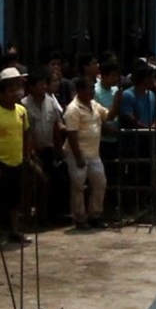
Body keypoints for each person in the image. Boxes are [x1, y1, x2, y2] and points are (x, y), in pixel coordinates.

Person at [0, 67, 31, 245]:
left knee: (15, 199)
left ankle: (14, 231)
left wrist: (27, 157)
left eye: (15, 89)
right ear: (1, 93)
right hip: (0, 162)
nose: (13, 93)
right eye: (9, 90)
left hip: (17, 160)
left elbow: (26, 134)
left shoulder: (21, 111)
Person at [64, 78, 109, 230]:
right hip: (78, 153)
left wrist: (117, 101)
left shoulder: (94, 104)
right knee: (78, 186)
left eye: (92, 89)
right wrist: (78, 157)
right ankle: (80, 217)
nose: (92, 91)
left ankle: (95, 214)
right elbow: (71, 135)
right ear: (80, 91)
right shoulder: (73, 109)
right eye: (89, 89)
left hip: (94, 152)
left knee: (100, 182)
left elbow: (109, 116)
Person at [22, 71, 66, 227]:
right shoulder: (24, 104)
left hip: (48, 148)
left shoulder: (51, 102)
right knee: (33, 184)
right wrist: (31, 150)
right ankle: (27, 217)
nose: (44, 87)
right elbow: (25, 131)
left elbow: (55, 125)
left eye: (44, 83)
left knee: (48, 184)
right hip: (31, 151)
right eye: (40, 84)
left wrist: (58, 147)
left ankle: (43, 216)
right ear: (32, 87)